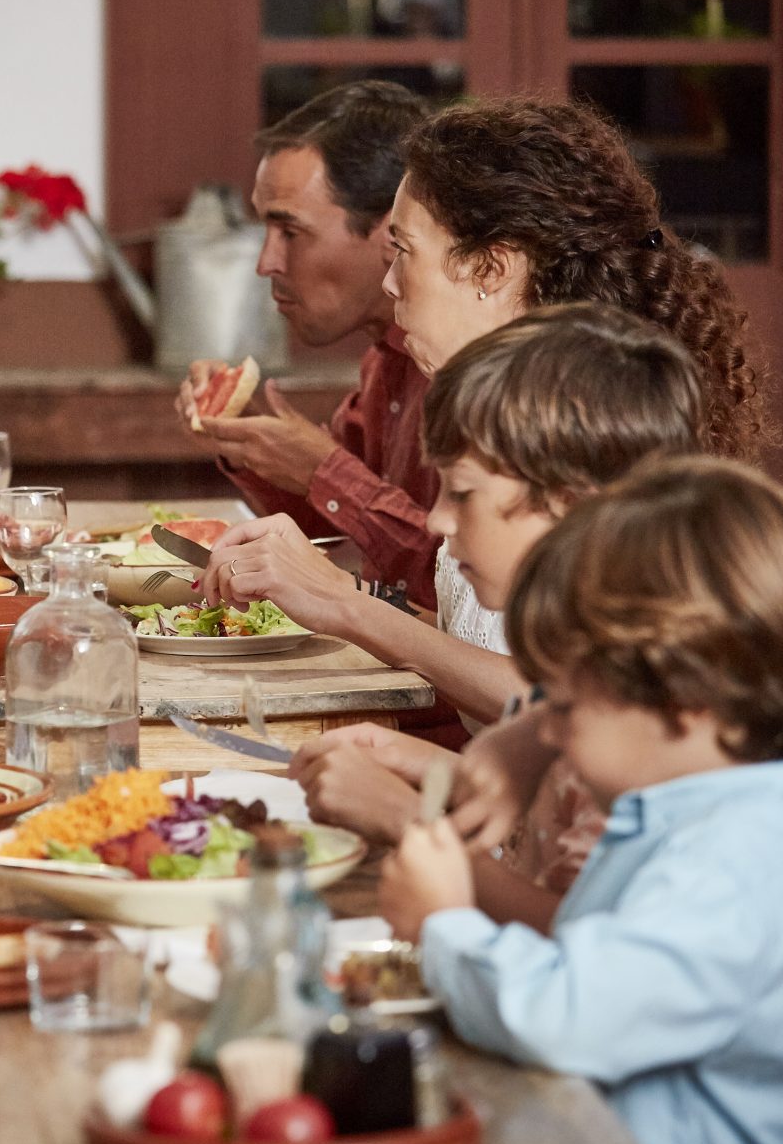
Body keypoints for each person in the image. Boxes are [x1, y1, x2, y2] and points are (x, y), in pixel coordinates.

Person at [199, 94, 770, 727]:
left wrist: (345, 603)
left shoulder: (590, 428)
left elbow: (586, 709)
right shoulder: (506, 408)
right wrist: (330, 595)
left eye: (404, 252)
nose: (389, 285)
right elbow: (473, 646)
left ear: (490, 268)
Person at [378, 456, 783, 1144]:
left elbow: (565, 1015)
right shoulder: (703, 807)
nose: (549, 731)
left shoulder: (739, 865)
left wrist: (447, 921)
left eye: (569, 705)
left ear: (688, 701)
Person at [285, 305, 702, 934]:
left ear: (571, 503)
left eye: (463, 492)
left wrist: (409, 821)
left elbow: (580, 940)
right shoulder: (583, 665)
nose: (436, 521)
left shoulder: (653, 704)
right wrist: (438, 774)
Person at [177, 81, 440, 608]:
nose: (265, 263)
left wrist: (325, 470)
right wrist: (247, 437)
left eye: (290, 232)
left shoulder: (476, 364)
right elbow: (333, 523)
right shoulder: (380, 357)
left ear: (392, 231)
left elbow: (456, 582)